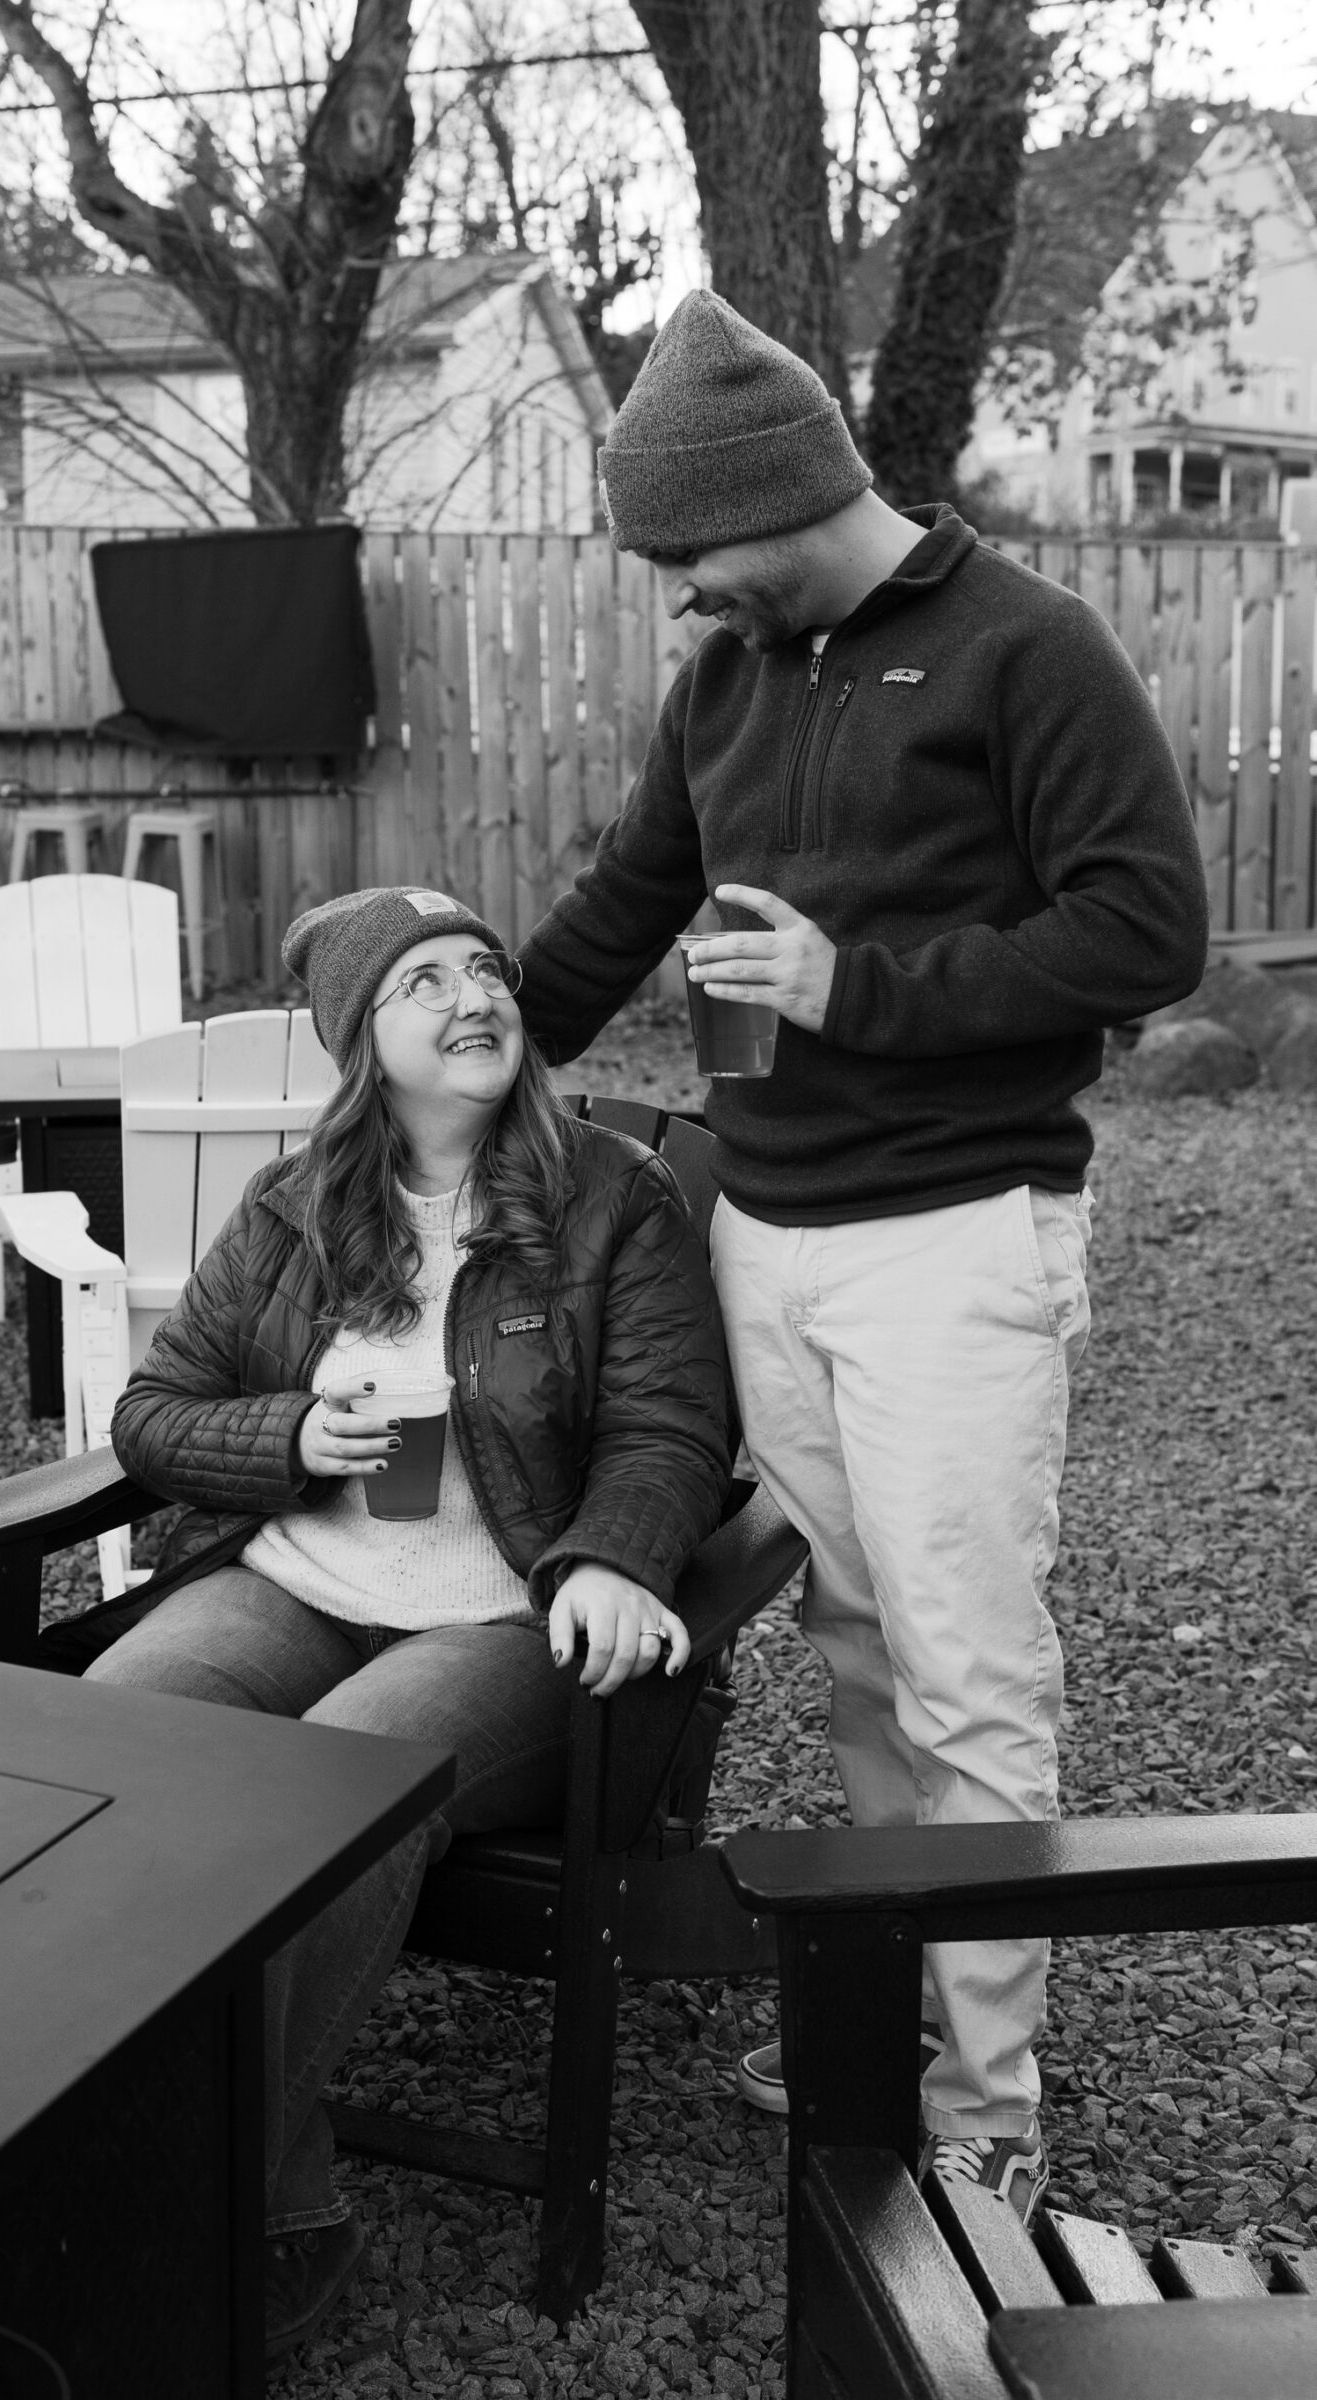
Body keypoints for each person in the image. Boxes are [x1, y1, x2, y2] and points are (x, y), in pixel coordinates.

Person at [514, 292, 1209, 2224]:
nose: (676, 599)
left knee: (970, 1675)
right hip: (768, 1230)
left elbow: (1146, 933)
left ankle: (989, 2104)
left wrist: (856, 988)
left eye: (687, 558)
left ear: (787, 494)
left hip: (955, 1239)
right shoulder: (731, 681)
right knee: (847, 1650)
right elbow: (623, 900)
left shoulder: (1027, 650)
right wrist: (466, 1053)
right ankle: (890, 2014)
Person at [87, 886, 733, 2358]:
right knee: (103, 1763)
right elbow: (151, 1413)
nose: (475, 996)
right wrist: (291, 1441)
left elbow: (667, 1431)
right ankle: (245, 2181)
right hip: (296, 1585)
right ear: (359, 1041)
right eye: (423, 982)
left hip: (504, 1620)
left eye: (486, 968)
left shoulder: (610, 1198)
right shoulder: (296, 1207)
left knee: (329, 1789)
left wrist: (613, 1559)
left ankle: (217, 2210)